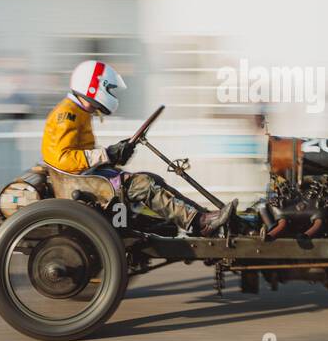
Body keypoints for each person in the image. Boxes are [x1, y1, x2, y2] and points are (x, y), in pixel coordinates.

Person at [41, 60, 237, 236]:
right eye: (108, 89)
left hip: (88, 178)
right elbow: (62, 159)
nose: (110, 94)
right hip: (79, 185)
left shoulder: (79, 111)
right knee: (144, 184)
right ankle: (199, 222)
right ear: (93, 87)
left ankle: (200, 219)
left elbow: (81, 154)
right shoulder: (67, 114)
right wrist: (107, 154)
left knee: (152, 180)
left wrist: (115, 154)